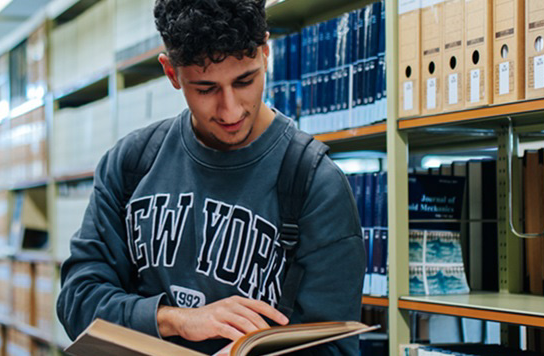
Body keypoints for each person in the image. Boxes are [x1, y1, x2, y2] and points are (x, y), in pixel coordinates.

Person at [55, 0, 366, 354]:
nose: (230, 109)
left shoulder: (316, 185)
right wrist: (177, 320)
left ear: (266, 53)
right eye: (205, 89)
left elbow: (334, 346)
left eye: (245, 80)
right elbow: (77, 300)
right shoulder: (131, 163)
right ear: (171, 73)